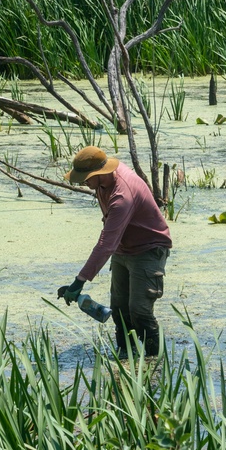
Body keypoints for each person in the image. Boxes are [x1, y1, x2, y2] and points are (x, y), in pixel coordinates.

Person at [57, 146, 172, 357]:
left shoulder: (122, 196)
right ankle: (125, 355)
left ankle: (154, 362)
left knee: (139, 311)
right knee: (119, 309)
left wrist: (79, 282)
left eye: (86, 179)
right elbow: (111, 240)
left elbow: (105, 244)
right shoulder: (103, 183)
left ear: (100, 174)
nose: (84, 183)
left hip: (148, 249)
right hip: (123, 249)